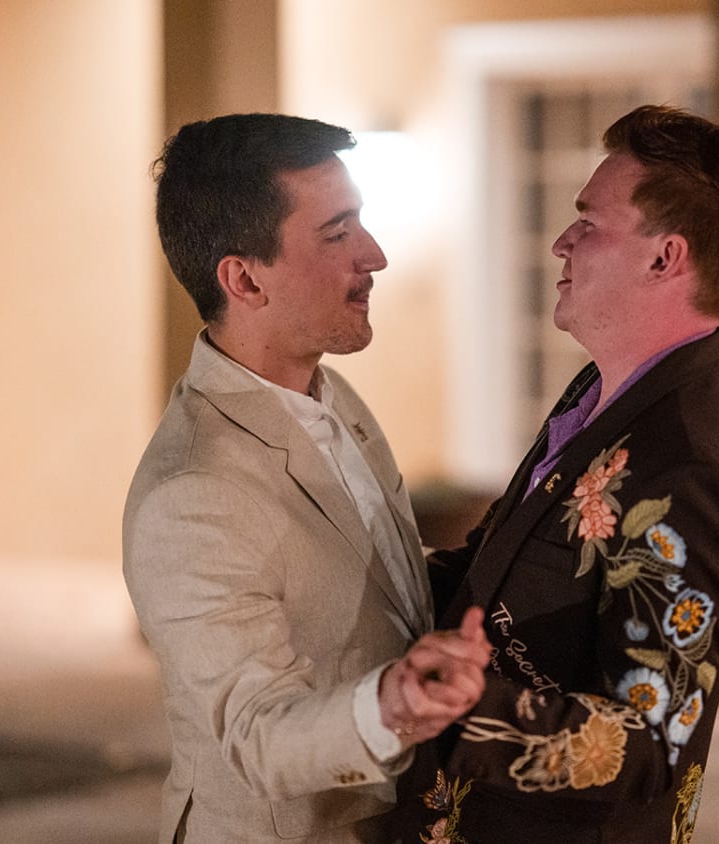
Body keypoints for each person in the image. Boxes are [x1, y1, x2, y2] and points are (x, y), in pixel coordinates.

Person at [408, 105, 719, 842]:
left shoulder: (691, 466)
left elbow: (650, 744)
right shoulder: (596, 397)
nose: (562, 241)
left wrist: (464, 710)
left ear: (664, 258)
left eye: (589, 222)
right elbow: (486, 578)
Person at [123, 113, 490, 844]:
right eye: (337, 233)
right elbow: (257, 734)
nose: (375, 255)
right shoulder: (192, 494)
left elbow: (370, 582)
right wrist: (389, 706)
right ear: (244, 279)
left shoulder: (332, 395)